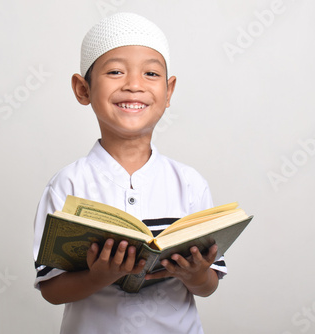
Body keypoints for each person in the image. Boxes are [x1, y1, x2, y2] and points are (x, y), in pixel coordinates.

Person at [33, 12, 227, 334]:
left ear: (169, 91)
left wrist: (194, 275)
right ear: (83, 89)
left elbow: (208, 285)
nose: (134, 85)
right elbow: (52, 289)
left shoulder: (189, 183)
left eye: (151, 73)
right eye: (115, 71)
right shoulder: (68, 184)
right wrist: (99, 276)